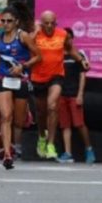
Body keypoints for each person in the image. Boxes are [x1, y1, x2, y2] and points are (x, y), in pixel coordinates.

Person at [0, 3, 39, 170]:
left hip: (21, 79)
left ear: (16, 22)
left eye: (9, 21)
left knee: (18, 120)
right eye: (3, 20)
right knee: (6, 116)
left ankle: (17, 145)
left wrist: (23, 66)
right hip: (3, 78)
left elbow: (38, 56)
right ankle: (7, 153)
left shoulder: (23, 36)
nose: (5, 24)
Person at [32, 11, 75, 160]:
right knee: (41, 112)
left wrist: (81, 60)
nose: (49, 26)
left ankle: (51, 144)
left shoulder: (62, 34)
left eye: (52, 23)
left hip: (56, 76)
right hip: (38, 77)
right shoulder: (36, 34)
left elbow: (71, 48)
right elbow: (26, 46)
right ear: (41, 23)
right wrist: (35, 32)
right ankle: (41, 137)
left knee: (52, 106)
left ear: (56, 23)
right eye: (46, 23)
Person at [58, 28, 94, 164]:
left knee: (79, 124)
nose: (66, 40)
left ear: (72, 39)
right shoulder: (58, 54)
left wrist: (80, 94)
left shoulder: (79, 54)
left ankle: (89, 149)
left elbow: (83, 75)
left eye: (69, 38)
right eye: (64, 38)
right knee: (65, 125)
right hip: (61, 95)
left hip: (74, 94)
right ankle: (68, 153)